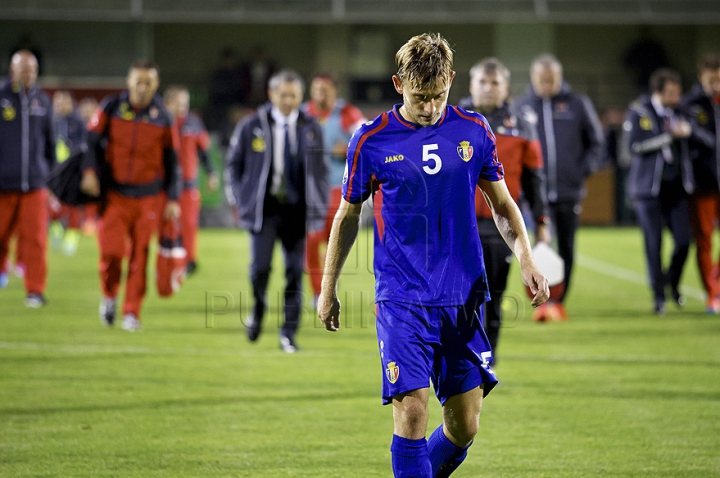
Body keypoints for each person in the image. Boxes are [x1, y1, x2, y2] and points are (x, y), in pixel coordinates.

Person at [318, 33, 549, 477]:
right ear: (398, 84)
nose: (430, 108)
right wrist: (328, 288)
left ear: (451, 83)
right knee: (411, 415)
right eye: (421, 97)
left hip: (462, 297)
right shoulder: (371, 140)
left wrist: (527, 258)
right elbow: (346, 217)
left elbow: (502, 205)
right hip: (402, 298)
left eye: (439, 96)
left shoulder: (474, 130)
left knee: (464, 426)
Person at [226, 69, 328, 353]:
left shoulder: (311, 127)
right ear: (271, 95)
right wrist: (239, 200)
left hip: (297, 211)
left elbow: (319, 173)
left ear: (301, 97)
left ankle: (288, 333)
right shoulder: (251, 125)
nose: (288, 100)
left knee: (295, 271)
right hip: (264, 210)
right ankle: (258, 311)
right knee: (260, 269)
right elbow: (232, 165)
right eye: (283, 94)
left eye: (293, 95)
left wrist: (317, 208)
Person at [458, 57, 550, 355]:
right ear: (471, 85)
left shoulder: (521, 124)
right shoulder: (452, 120)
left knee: (494, 295)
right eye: (482, 82)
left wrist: (542, 222)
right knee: (461, 295)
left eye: (494, 83)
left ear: (505, 88)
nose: (487, 88)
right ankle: (462, 353)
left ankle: (489, 355)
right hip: (460, 225)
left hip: (502, 225)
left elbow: (534, 178)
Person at [80, 60, 180, 331]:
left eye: (149, 82)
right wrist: (89, 171)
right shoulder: (111, 107)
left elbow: (172, 160)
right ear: (128, 81)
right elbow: (89, 140)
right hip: (115, 194)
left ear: (156, 84)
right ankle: (110, 296)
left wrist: (172, 198)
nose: (143, 87)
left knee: (140, 256)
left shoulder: (164, 117)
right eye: (138, 81)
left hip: (148, 197)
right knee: (111, 252)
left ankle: (132, 312)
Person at [514, 53, 605, 321]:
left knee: (566, 246)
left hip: (568, 191)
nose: (547, 84)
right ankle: (540, 301)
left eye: (551, 79)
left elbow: (597, 143)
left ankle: (559, 302)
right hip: (534, 195)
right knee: (537, 248)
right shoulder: (521, 107)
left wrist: (579, 172)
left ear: (560, 78)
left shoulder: (577, 104)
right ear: (533, 78)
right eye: (542, 79)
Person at [624, 68, 707, 315]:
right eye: (670, 93)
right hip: (648, 189)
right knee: (654, 243)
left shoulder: (683, 112)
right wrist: (668, 137)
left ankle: (671, 281)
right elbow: (634, 147)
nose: (675, 97)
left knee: (684, 241)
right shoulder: (639, 110)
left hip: (677, 187)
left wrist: (690, 132)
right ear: (657, 92)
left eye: (677, 92)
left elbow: (706, 138)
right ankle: (659, 297)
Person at [301, 73, 367, 307]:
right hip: (308, 191)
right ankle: (318, 290)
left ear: (335, 92)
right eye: (317, 89)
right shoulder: (303, 114)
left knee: (333, 244)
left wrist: (349, 150)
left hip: (338, 190)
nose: (321, 94)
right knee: (309, 240)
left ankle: (328, 288)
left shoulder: (347, 113)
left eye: (325, 89)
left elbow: (366, 141)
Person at [0, 50, 55, 305]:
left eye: (32, 70)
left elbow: (50, 145)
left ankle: (35, 290)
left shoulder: (43, 101)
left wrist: (51, 177)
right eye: (24, 69)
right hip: (3, 184)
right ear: (13, 71)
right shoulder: (1, 98)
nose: (29, 74)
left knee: (35, 239)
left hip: (35, 184)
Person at [163, 86, 219, 275]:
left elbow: (205, 153)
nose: (182, 106)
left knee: (188, 224)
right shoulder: (160, 122)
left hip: (187, 185)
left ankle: (189, 262)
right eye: (178, 102)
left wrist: (211, 174)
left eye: (185, 102)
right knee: (165, 225)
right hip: (162, 185)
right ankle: (167, 260)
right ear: (168, 103)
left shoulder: (194, 123)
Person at [681, 54, 720, 313]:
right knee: (704, 240)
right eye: (711, 80)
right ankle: (712, 295)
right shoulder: (690, 105)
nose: (716, 85)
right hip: (704, 184)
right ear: (701, 78)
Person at [50, 89, 88, 256]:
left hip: (72, 171)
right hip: (54, 171)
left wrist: (70, 148)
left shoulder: (78, 121)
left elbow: (84, 145)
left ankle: (72, 236)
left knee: (73, 205)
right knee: (52, 203)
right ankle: (56, 228)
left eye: (63, 102)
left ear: (70, 103)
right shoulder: (51, 121)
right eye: (57, 102)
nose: (59, 105)